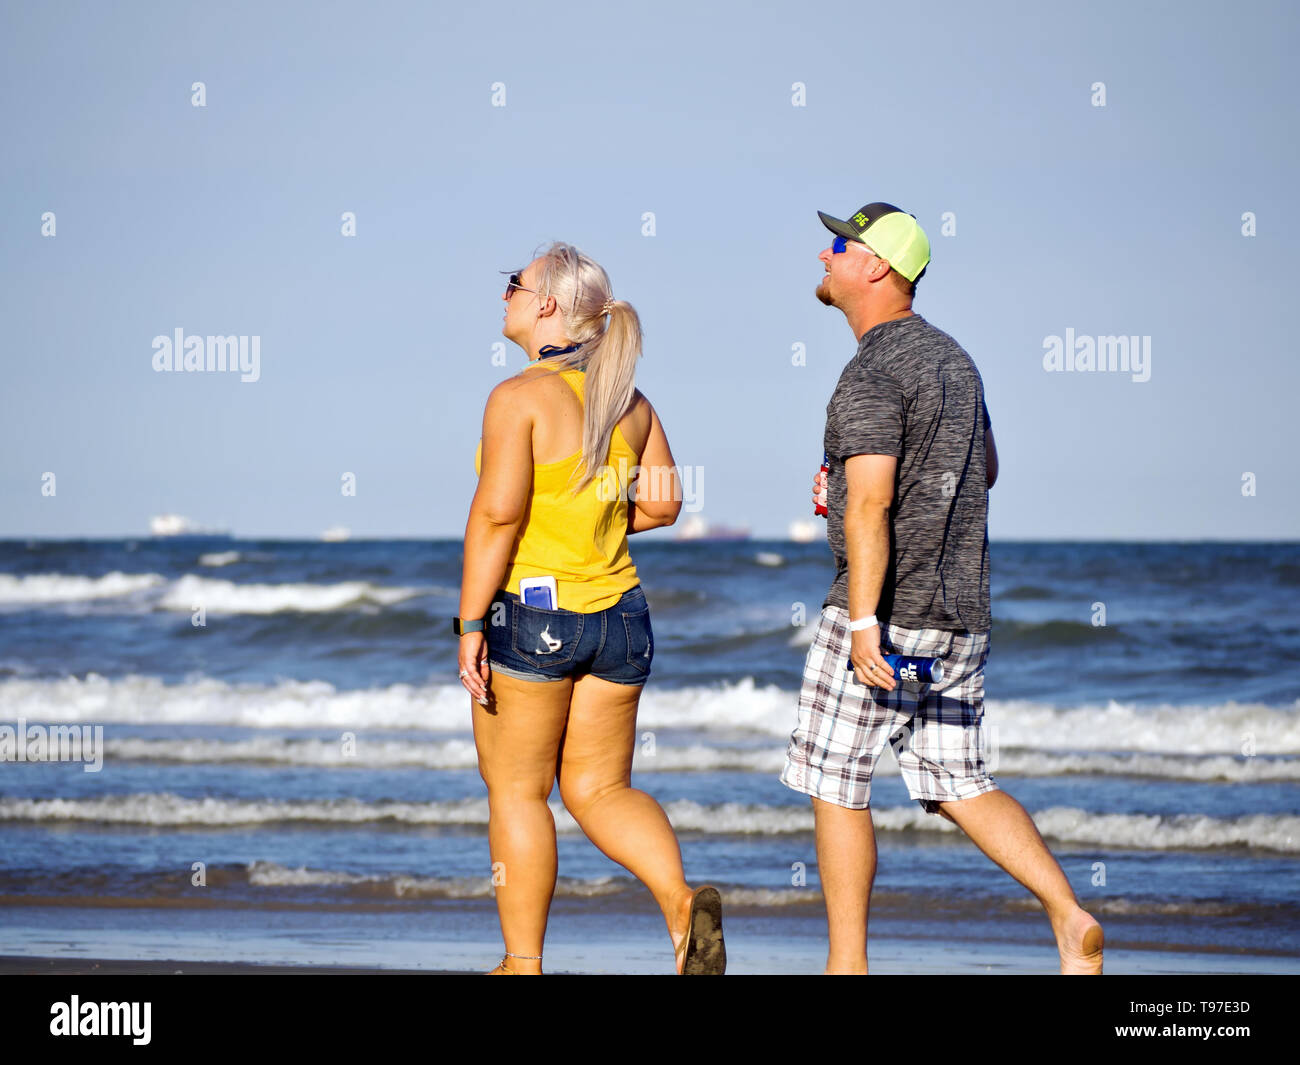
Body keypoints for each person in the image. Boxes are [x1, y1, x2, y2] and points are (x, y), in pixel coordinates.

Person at [780, 202, 1104, 975]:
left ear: (875, 268)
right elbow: (984, 468)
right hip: (963, 616)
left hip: (889, 613)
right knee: (955, 778)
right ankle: (1069, 914)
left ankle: (846, 967)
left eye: (839, 245)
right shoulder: (956, 360)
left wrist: (863, 621)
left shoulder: (872, 367)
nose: (824, 256)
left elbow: (871, 503)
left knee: (835, 776)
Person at [455, 241, 725, 976]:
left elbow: (497, 519)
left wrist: (472, 622)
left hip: (535, 620)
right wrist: (592, 516)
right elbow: (665, 505)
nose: (504, 292)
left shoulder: (517, 399)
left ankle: (522, 961)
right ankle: (679, 901)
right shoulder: (629, 401)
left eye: (513, 282)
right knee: (601, 788)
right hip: (622, 619)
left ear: (546, 305)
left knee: (517, 790)